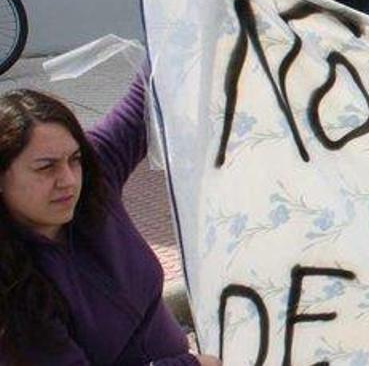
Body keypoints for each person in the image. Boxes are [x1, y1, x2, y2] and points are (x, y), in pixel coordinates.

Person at [0, 73, 220, 365]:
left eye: (74, 159)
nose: (68, 180)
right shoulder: (10, 287)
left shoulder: (94, 179)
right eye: (45, 168)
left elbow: (154, 87)